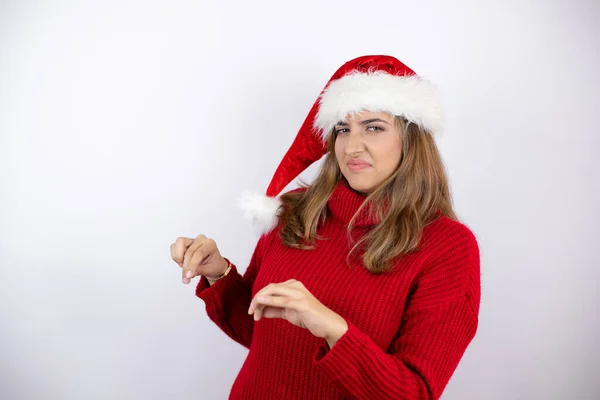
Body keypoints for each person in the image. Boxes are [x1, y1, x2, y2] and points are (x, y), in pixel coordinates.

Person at [170, 55, 481, 400]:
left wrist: (334, 328)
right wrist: (218, 275)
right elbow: (259, 333)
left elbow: (415, 393)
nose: (352, 146)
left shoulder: (447, 246)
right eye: (343, 129)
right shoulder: (296, 210)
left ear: (411, 138)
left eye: (374, 127)